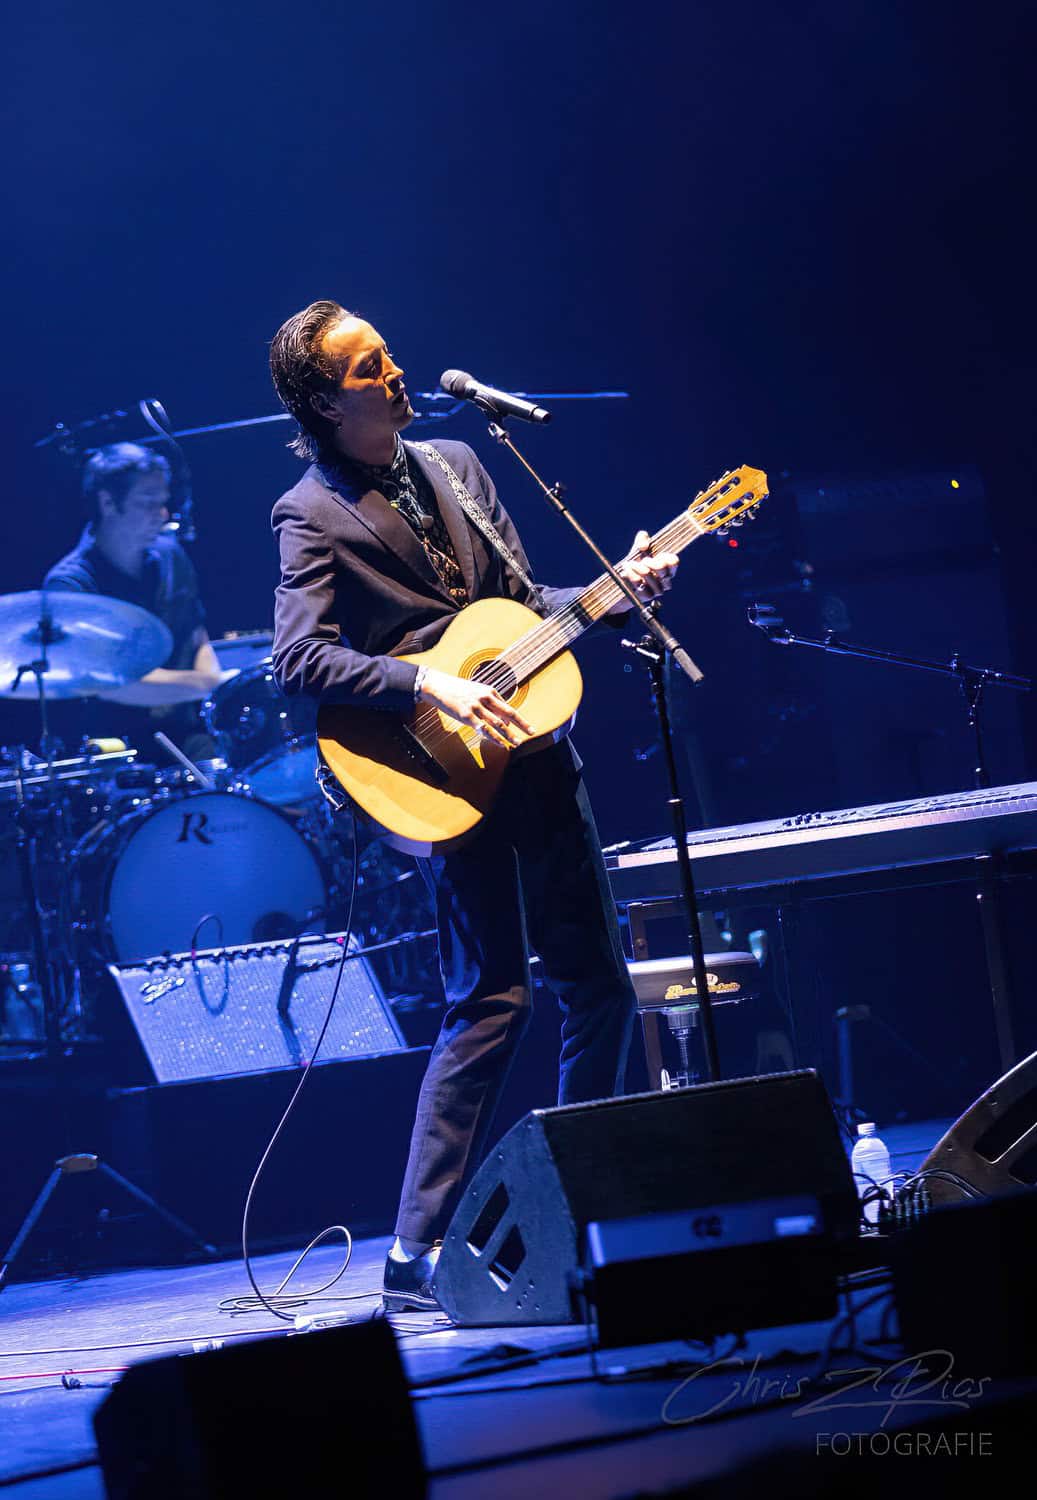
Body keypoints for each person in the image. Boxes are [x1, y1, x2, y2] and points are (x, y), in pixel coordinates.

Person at [268, 301, 679, 1311]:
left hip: (535, 752)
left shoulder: (458, 463)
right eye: (369, 367)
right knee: (491, 1000)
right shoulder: (310, 511)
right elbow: (298, 658)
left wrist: (612, 591)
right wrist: (427, 684)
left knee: (599, 986)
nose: (394, 371)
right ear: (325, 402)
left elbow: (519, 610)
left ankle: (576, 1210)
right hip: (435, 768)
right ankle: (413, 1252)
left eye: (387, 354)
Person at [44, 442, 226, 762]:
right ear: (108, 503)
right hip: (115, 750)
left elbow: (195, 635)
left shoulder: (171, 556)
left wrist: (212, 679)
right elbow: (110, 683)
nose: (163, 514)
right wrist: (204, 683)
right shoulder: (70, 585)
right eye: (148, 503)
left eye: (163, 502)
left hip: (185, 733)